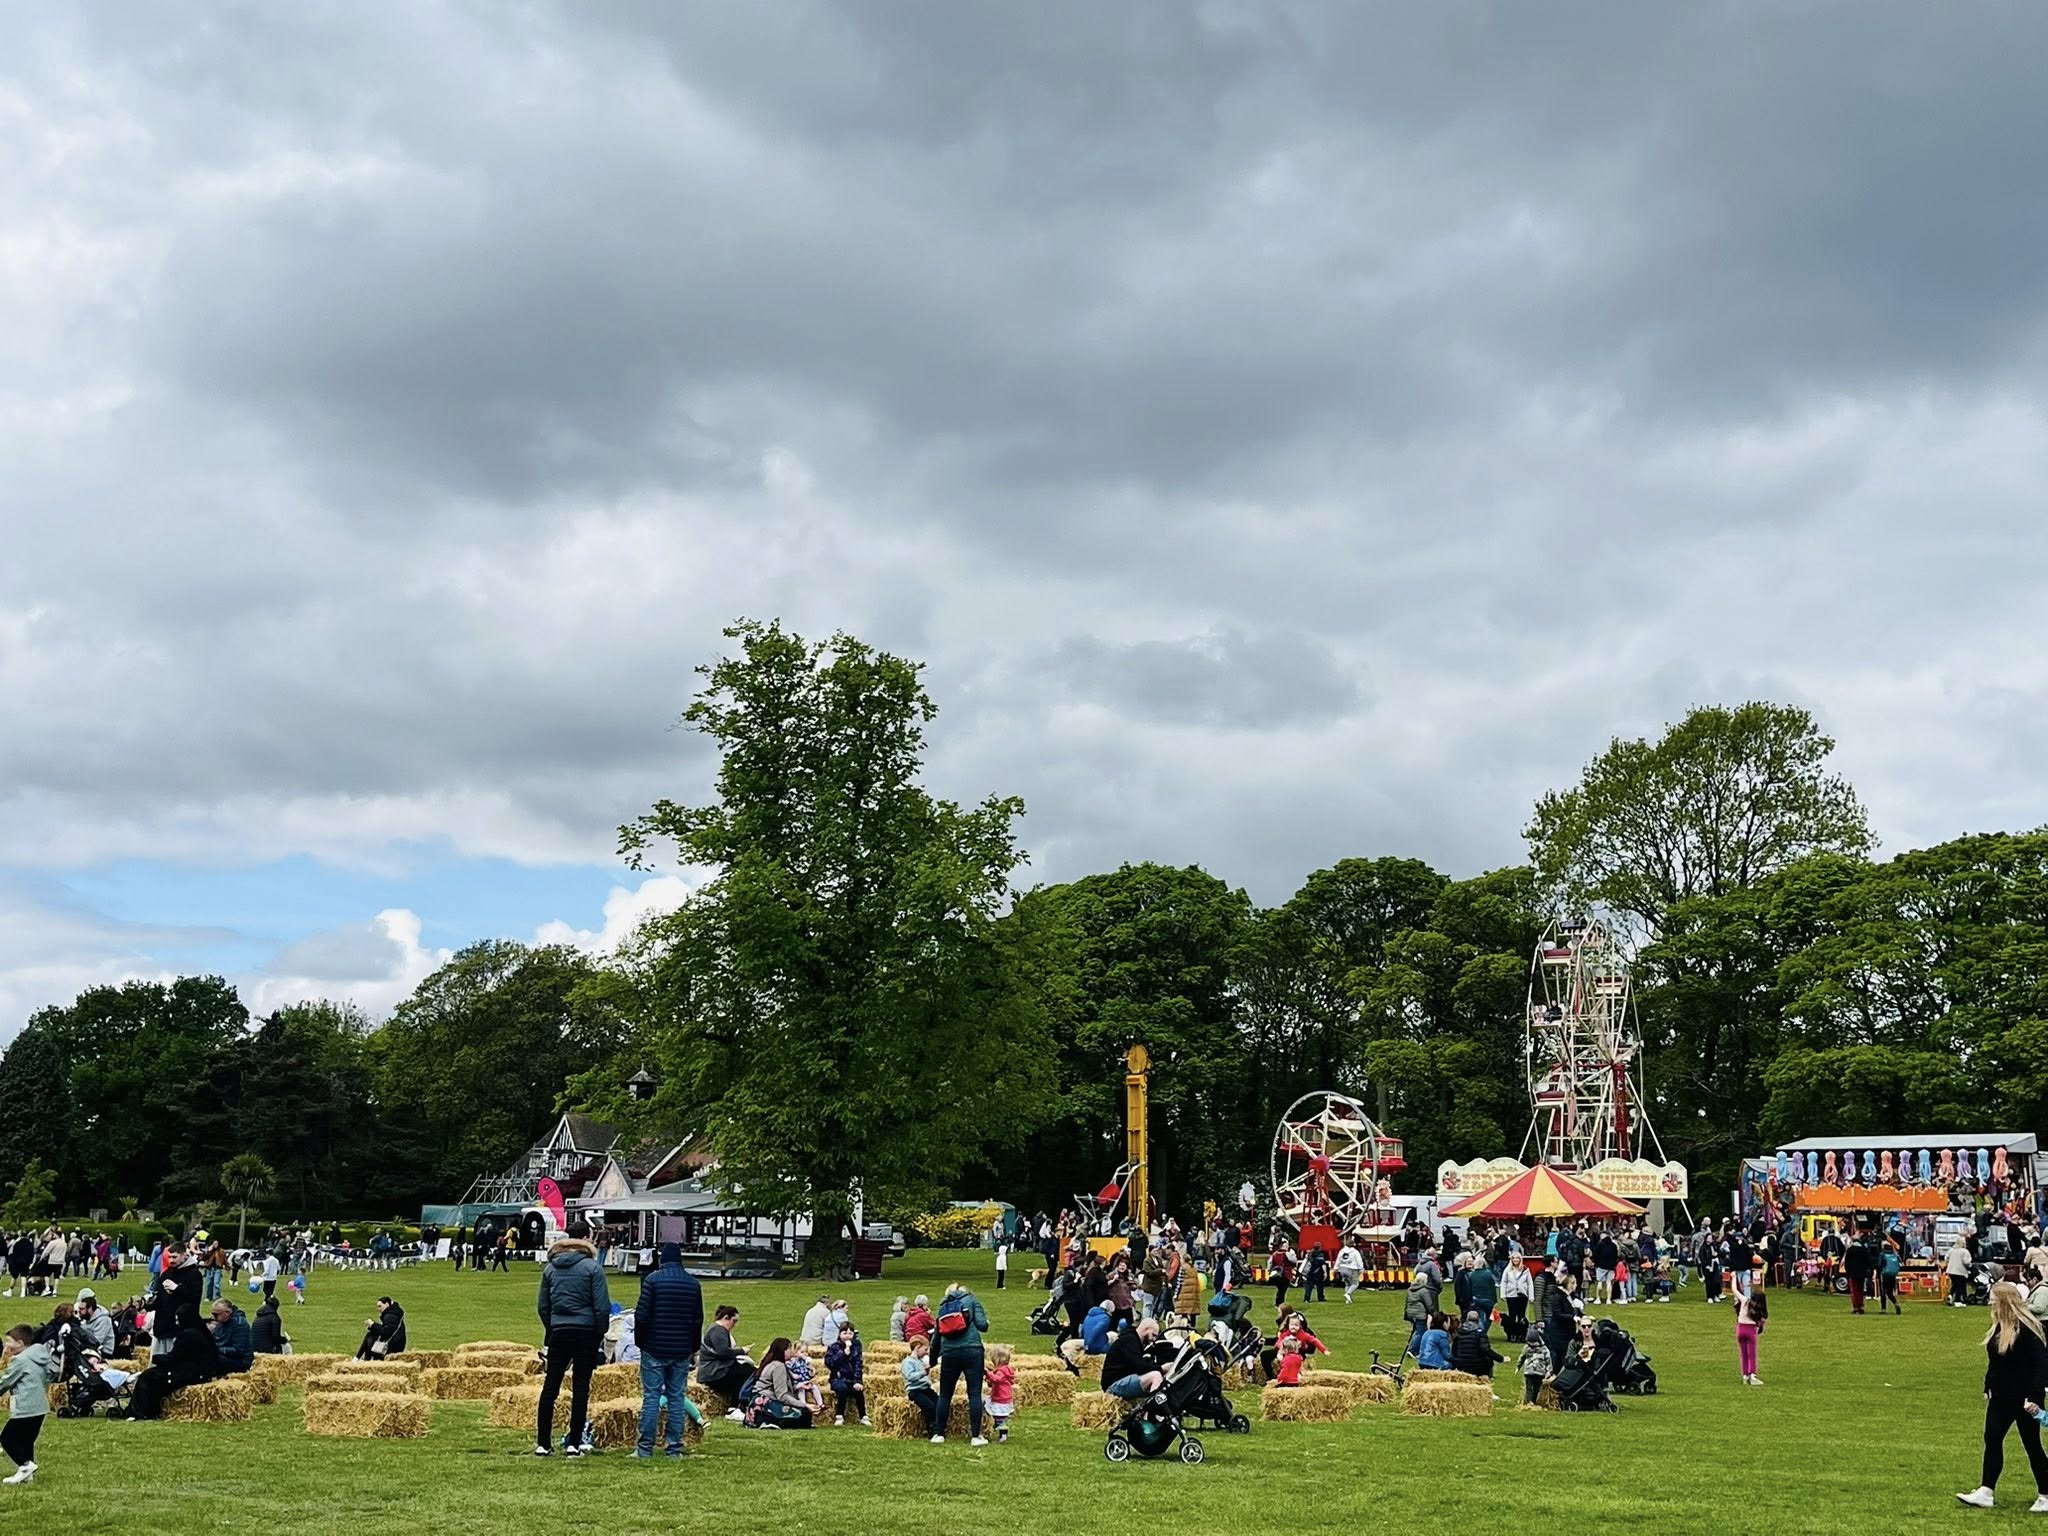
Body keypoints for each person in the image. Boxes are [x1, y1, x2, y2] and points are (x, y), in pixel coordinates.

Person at [1959, 1282, 2048, 1511]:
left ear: (2003, 1302)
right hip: (2000, 1397)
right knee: (1992, 1438)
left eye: (1993, 1299)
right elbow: (1995, 1364)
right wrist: (1988, 1386)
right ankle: (1986, 1490)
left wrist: (2035, 1397)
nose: (1989, 1302)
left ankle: (2046, 1494)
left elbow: (2041, 1365)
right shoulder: (1998, 1329)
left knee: (2032, 1445)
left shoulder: (2028, 1331)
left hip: (2024, 1398)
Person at [535, 1226, 610, 1456]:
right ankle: (574, 1442)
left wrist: (552, 1326)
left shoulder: (551, 1269)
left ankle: (543, 1442)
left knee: (551, 1386)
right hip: (586, 1330)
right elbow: (602, 1306)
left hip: (559, 1329)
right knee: (580, 1388)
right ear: (587, 1238)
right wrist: (600, 1333)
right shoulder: (592, 1268)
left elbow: (543, 1305)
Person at [631, 1242, 702, 1458]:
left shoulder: (652, 1280)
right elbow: (697, 1319)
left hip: (654, 1345)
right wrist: (693, 1348)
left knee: (651, 1396)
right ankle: (674, 1447)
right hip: (680, 1348)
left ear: (662, 1259)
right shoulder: (693, 1284)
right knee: (677, 1397)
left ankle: (644, 1448)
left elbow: (641, 1315)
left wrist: (640, 1341)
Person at [121, 1319, 221, 1420]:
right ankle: (144, 1410)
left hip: (188, 1373)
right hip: (195, 1371)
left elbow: (176, 1357)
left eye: (179, 1319)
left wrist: (157, 1358)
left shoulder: (188, 1335)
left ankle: (141, 1412)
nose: (177, 1323)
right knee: (152, 1375)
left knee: (148, 1377)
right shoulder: (201, 1333)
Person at [931, 1283, 991, 1446]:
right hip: (972, 1350)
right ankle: (976, 1436)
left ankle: (939, 1433)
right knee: (974, 1394)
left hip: (950, 1351)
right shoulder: (972, 1300)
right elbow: (982, 1325)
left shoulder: (943, 1305)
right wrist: (986, 1322)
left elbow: (937, 1335)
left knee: (944, 1395)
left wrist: (932, 1360)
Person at [0, 1325, 57, 1485]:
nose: (6, 1345)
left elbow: (6, 1382)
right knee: (26, 1441)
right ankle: (27, 1475)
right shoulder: (38, 1356)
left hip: (25, 1406)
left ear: (19, 1343)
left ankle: (25, 1466)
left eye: (8, 1342)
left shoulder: (20, 1360)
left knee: (7, 1439)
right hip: (40, 1406)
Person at [751, 1338, 813, 1429]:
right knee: (805, 1414)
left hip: (758, 1403)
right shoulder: (778, 1367)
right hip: (767, 1404)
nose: (791, 1351)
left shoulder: (772, 1364)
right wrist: (804, 1405)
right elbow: (782, 1395)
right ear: (783, 1351)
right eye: (789, 1348)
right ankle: (771, 1422)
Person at [698, 1305, 752, 1408]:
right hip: (714, 1372)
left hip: (713, 1370)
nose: (734, 1325)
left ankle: (736, 1405)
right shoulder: (718, 1330)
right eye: (734, 1321)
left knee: (745, 1371)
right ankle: (736, 1406)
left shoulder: (715, 1329)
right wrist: (742, 1351)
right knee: (749, 1373)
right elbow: (723, 1352)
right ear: (726, 1317)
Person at [1101, 1316, 1165, 1401]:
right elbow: (1139, 1366)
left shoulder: (1133, 1340)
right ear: (1146, 1329)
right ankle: (1153, 1410)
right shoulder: (1129, 1340)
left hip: (1119, 1381)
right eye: (1153, 1335)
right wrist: (1161, 1368)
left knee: (1157, 1375)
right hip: (1113, 1386)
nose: (1154, 1340)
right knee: (1155, 1376)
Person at [825, 1323, 868, 1427]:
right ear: (839, 1334)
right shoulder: (834, 1347)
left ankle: (863, 1416)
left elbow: (858, 1364)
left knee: (858, 1391)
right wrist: (843, 1353)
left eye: (850, 1333)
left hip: (851, 1379)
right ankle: (839, 1415)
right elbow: (830, 1363)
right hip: (838, 1378)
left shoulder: (857, 1346)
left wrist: (858, 1381)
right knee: (842, 1389)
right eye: (845, 1333)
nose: (847, 1336)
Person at [1451, 1309, 1505, 1384]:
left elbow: (1454, 1350)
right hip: (1477, 1366)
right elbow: (1486, 1350)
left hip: (1461, 1365)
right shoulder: (1480, 1333)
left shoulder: (1458, 1332)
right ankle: (1486, 1380)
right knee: (1489, 1361)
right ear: (1478, 1320)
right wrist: (1500, 1358)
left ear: (1467, 1319)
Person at [901, 1337, 941, 1437]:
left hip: (925, 1389)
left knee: (939, 1403)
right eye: (925, 1349)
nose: (926, 1353)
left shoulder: (920, 1361)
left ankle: (940, 1427)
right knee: (929, 1406)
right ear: (917, 1347)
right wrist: (923, 1372)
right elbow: (910, 1376)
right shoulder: (908, 1362)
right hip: (915, 1391)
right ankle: (931, 1429)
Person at [209, 1300, 253, 1374]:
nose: (213, 1317)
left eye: (216, 1314)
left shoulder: (239, 1324)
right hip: (227, 1357)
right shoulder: (222, 1323)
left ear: (227, 1312)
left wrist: (217, 1350)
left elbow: (239, 1350)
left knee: (213, 1360)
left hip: (240, 1361)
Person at [1736, 1288, 1767, 1387]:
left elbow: (1735, 1291)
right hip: (1751, 1331)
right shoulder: (1760, 1311)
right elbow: (1761, 1324)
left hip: (1740, 1329)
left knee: (1743, 1354)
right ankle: (1752, 1375)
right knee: (1752, 1355)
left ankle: (1745, 1376)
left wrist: (1734, 1278)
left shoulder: (1745, 1302)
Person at [786, 1339, 826, 1415]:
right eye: (802, 1352)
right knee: (801, 1390)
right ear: (795, 1352)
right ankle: (803, 1404)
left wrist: (811, 1369)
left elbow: (811, 1373)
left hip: (806, 1380)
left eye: (806, 1352)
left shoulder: (805, 1362)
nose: (805, 1354)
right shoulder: (793, 1362)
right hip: (798, 1382)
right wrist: (793, 1375)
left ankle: (820, 1404)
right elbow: (787, 1369)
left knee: (814, 1387)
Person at [1500, 1255, 1533, 1342]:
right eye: (1514, 1258)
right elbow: (1503, 1282)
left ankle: (1522, 1335)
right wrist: (1503, 1294)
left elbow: (1530, 1283)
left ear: (1520, 1259)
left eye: (1517, 1258)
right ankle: (1512, 1335)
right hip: (1511, 1295)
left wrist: (1531, 1296)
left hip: (1523, 1296)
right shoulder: (1507, 1270)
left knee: (1521, 1316)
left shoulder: (1526, 1270)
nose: (1515, 1260)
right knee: (1512, 1315)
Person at [1516, 1331, 1552, 1409]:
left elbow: (1548, 1360)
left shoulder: (1544, 1349)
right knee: (1529, 1387)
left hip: (1540, 1372)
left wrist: (1549, 1371)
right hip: (1529, 1371)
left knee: (1537, 1387)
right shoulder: (1526, 1348)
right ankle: (1529, 1402)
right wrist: (1518, 1367)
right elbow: (1522, 1357)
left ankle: (1534, 1400)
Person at [73, 1291, 114, 1356]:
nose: (79, 1312)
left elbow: (97, 1341)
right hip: (90, 1349)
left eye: (82, 1309)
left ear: (90, 1308)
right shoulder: (86, 1317)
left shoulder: (103, 1320)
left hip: (103, 1353)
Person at [1952, 1234, 1978, 1307]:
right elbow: (1966, 1262)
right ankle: (1958, 1300)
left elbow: (1946, 1258)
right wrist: (1970, 1266)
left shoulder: (1952, 1250)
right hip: (1960, 1271)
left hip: (1951, 1270)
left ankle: (1951, 1296)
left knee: (1954, 1285)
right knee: (1961, 1286)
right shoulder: (1964, 1251)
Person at [1335, 1240, 1365, 1304]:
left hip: (1342, 1268)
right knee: (1355, 1283)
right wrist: (1361, 1268)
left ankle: (1348, 1299)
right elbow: (1359, 1260)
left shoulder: (1341, 1251)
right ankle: (1348, 1294)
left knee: (1347, 1284)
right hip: (1352, 1268)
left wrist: (1336, 1268)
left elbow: (1338, 1259)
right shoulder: (1355, 1252)